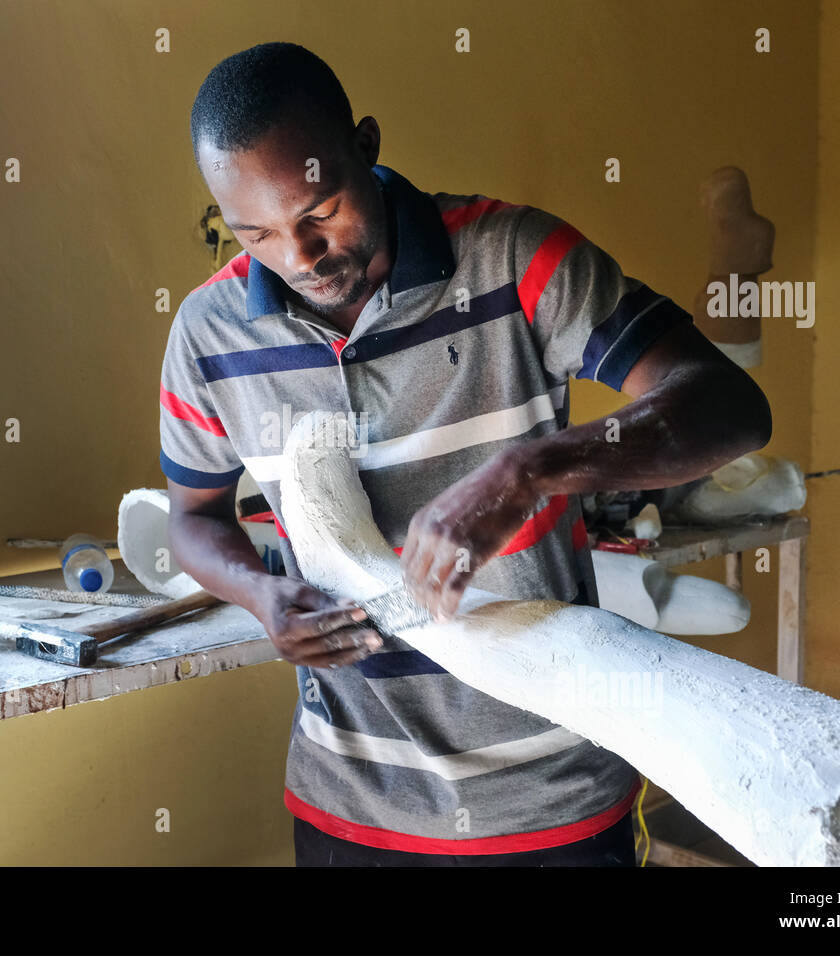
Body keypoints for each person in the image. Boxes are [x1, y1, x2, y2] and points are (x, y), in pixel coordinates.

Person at [159, 42, 771, 866]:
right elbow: (193, 521)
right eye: (257, 234)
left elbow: (729, 406)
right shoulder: (209, 333)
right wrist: (263, 596)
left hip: (553, 794)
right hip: (352, 802)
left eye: (320, 211)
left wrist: (530, 471)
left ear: (366, 147)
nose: (300, 259)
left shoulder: (514, 259)